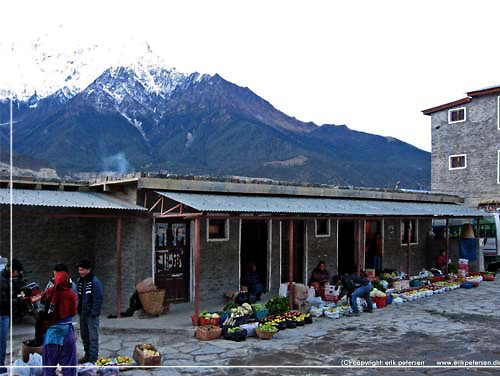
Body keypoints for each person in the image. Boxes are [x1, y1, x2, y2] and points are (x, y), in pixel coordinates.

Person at [41, 271, 78, 376]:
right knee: (69, 365)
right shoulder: (71, 295)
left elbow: (42, 305)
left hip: (51, 334)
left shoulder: (50, 292)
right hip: (66, 333)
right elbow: (73, 312)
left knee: (48, 367)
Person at [76, 259, 103, 364]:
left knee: (93, 337)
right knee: (85, 336)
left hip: (91, 315)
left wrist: (94, 313)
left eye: (82, 270)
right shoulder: (80, 281)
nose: (80, 272)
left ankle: (93, 358)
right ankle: (87, 355)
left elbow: (98, 298)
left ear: (88, 269)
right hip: (82, 314)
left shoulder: (94, 282)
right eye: (79, 270)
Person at [0, 258, 24, 373]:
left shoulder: (8, 279)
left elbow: (13, 292)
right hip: (1, 315)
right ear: (13, 271)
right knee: (1, 343)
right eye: (17, 272)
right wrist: (18, 300)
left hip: (4, 314)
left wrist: (22, 293)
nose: (18, 275)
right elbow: (3, 301)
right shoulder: (1, 281)